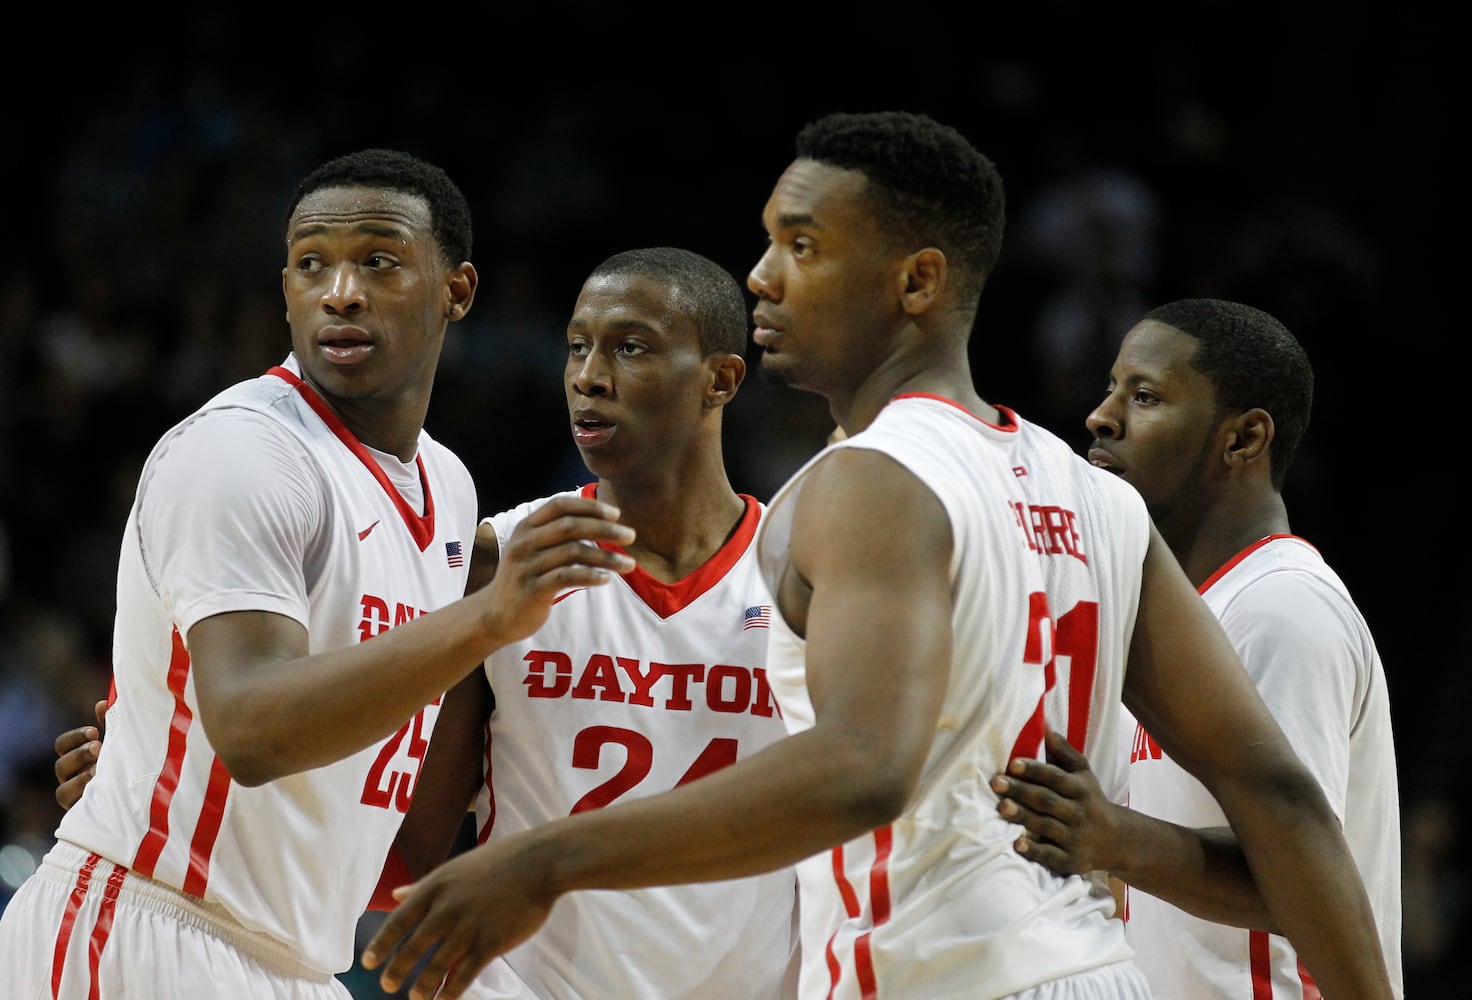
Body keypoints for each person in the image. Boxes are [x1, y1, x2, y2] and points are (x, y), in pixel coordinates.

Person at [353, 112, 1395, 1000]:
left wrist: (544, 857)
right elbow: (1286, 806)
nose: (761, 274)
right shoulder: (1092, 495)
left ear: (916, 281)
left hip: (940, 973)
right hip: (1093, 969)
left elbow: (861, 767)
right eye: (768, 240)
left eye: (801, 245)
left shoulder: (873, 475)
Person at [52, 247, 801, 999]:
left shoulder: (803, 578)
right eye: (578, 347)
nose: (589, 376)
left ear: (721, 379)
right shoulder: (492, 569)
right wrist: (161, 778)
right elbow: (399, 847)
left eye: (629, 348)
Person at [0, 147, 636, 999]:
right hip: (144, 927)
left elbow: (394, 841)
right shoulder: (242, 449)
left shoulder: (448, 490)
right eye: (312, 265)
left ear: (459, 290)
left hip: (296, 960)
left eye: (378, 260)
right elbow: (255, 732)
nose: (340, 290)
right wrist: (485, 619)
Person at [989, 298, 1403, 997]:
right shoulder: (1174, 623)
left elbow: (1310, 879)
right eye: (1111, 387)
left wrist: (1113, 837)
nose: (1101, 416)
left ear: (1243, 440)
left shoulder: (1281, 606)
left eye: (1145, 396)